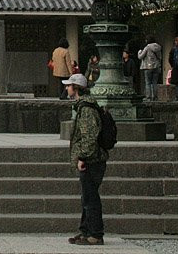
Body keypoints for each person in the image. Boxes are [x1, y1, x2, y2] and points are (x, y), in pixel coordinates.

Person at [64, 73, 109, 246]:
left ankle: (95, 234)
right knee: (87, 197)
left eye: (69, 86)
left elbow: (89, 136)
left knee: (91, 198)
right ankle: (85, 230)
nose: (66, 88)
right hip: (92, 158)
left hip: (92, 160)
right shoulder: (83, 107)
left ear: (76, 89)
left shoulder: (87, 109)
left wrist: (83, 157)